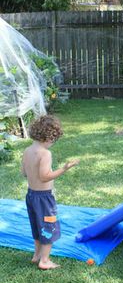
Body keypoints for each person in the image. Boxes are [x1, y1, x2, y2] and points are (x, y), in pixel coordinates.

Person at [22, 115, 79, 270]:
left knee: (37, 226)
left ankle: (37, 255)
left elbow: (24, 173)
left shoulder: (27, 150)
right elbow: (45, 176)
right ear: (49, 137)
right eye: (54, 139)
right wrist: (64, 168)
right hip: (44, 199)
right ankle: (45, 261)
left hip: (31, 196)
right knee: (48, 228)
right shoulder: (45, 154)